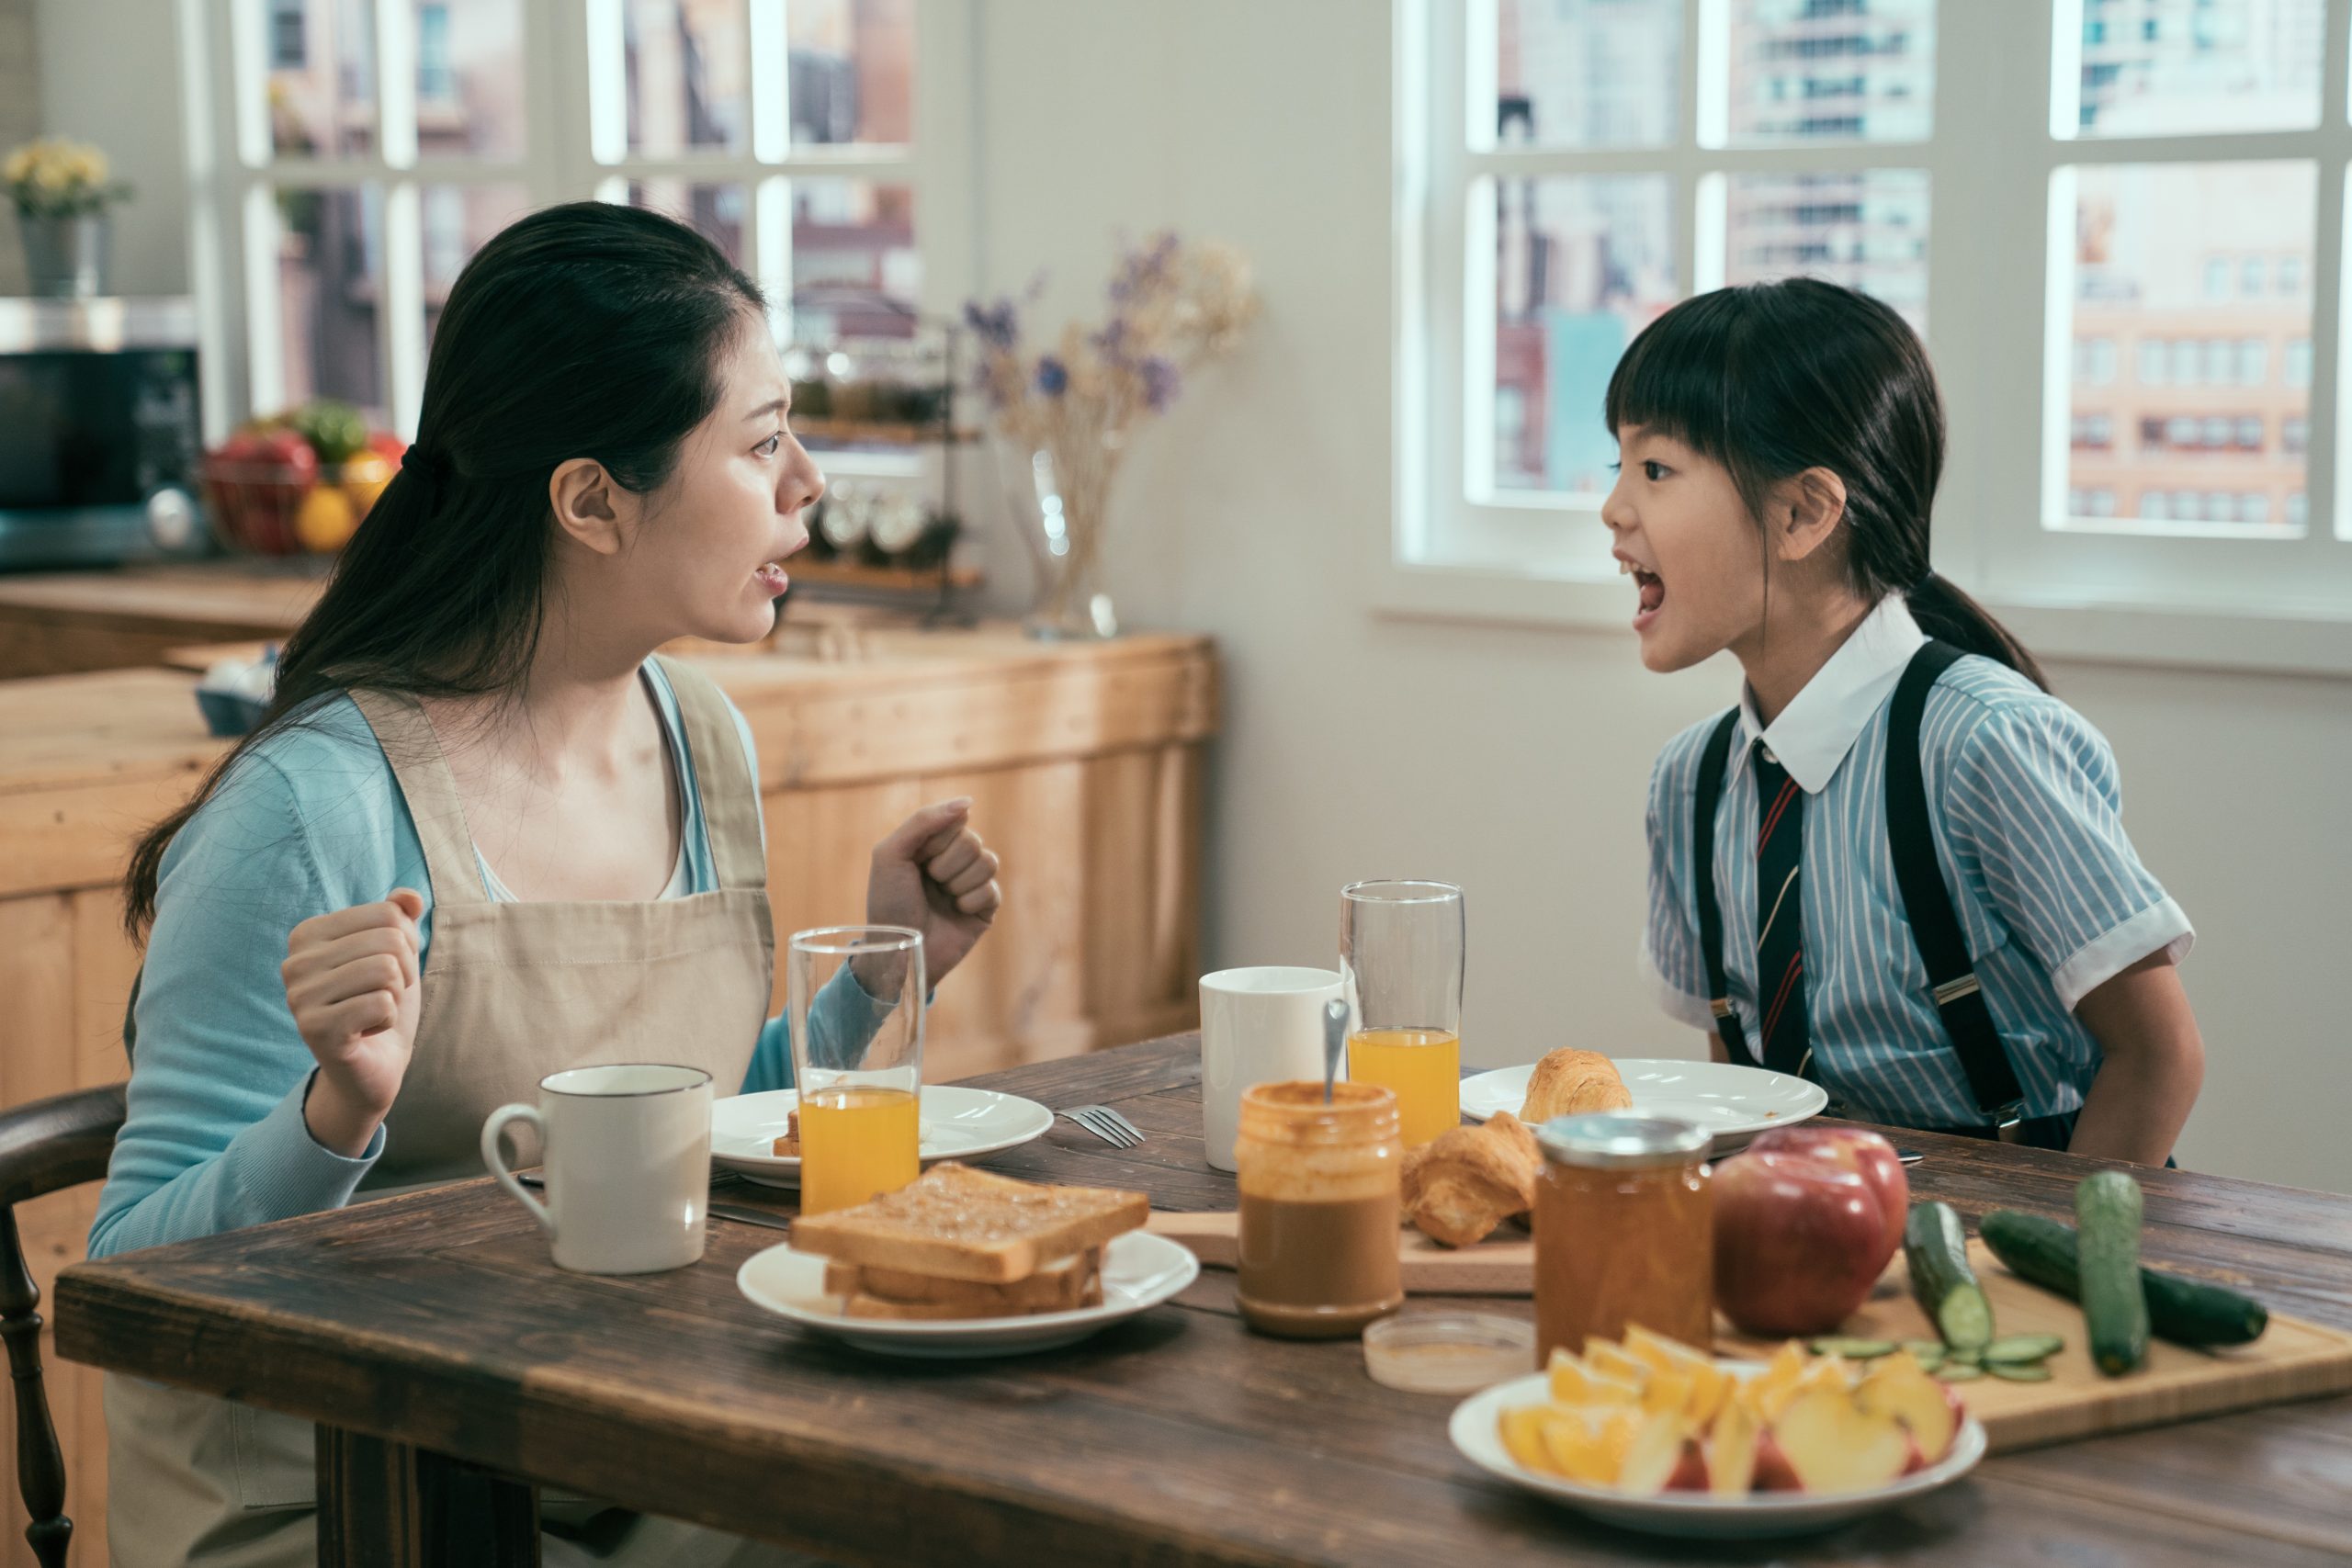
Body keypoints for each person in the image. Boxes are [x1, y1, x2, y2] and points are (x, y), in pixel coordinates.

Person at [94, 201, 1001, 1565]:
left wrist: (878, 982)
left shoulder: (702, 738)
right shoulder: (311, 806)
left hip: (600, 1446)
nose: (808, 481)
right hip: (335, 1500)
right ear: (589, 499)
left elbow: (664, 1118)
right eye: (761, 444)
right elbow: (125, 1275)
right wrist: (334, 1111)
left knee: (953, 1508)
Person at [1614, 278, 2202, 1165]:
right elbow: (1740, 1090)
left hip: (2012, 1246)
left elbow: (2159, 1059)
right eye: (1619, 465)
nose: (1614, 507)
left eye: (1655, 469)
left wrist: (2048, 1271)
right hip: (1804, 1240)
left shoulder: (1983, 744)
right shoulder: (1688, 782)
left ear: (1803, 512)